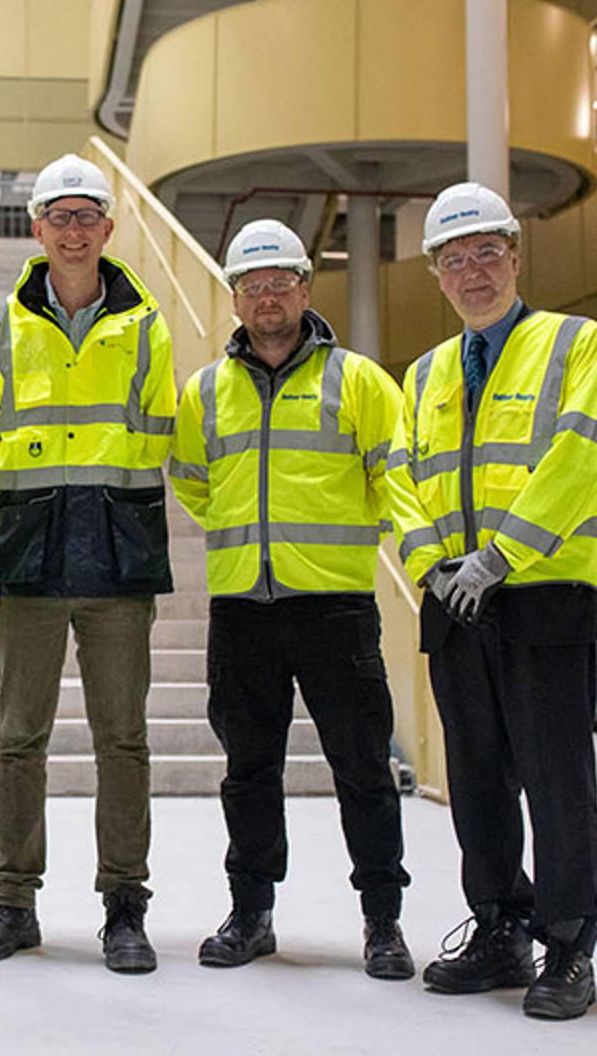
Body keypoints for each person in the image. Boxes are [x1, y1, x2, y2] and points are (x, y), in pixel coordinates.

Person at [386, 182, 597, 1021]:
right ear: (437, 275)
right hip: (455, 603)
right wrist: (434, 567)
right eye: (455, 259)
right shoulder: (424, 374)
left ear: (515, 255)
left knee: (557, 780)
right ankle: (499, 928)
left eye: (487, 251)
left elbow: (584, 456)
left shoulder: (575, 345)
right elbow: (400, 480)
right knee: (477, 779)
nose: (472, 271)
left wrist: (501, 556)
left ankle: (567, 945)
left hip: (543, 596)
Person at [169, 219, 413, 979]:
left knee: (363, 768)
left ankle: (382, 922)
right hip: (243, 607)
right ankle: (251, 913)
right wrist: (248, 537)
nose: (266, 297)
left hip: (334, 607)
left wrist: (335, 543)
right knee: (248, 770)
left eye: (279, 282)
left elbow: (391, 480)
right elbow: (190, 479)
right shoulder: (205, 392)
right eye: (251, 285)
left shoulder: (360, 381)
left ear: (306, 289)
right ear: (234, 300)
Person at [0, 153, 174, 972]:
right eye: (60, 216)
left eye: (88, 216)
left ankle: (125, 903)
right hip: (27, 556)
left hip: (120, 555)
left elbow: (156, 439)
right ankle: (12, 901)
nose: (75, 230)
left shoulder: (147, 326)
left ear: (108, 230)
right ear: (37, 229)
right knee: (20, 736)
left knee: (123, 738)